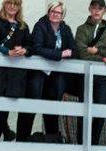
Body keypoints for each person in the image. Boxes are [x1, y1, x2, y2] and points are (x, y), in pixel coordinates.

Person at [26, 2, 75, 142]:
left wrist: (66, 53)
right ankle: (22, 140)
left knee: (52, 109)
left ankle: (52, 142)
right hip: (38, 74)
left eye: (58, 12)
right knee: (31, 107)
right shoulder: (40, 26)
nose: (55, 14)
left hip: (56, 75)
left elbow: (73, 49)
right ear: (48, 12)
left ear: (62, 15)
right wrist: (60, 54)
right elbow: (38, 48)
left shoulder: (65, 29)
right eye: (52, 11)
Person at [73, 0, 106, 146]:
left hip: (101, 78)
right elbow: (82, 53)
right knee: (84, 112)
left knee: (100, 112)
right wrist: (104, 58)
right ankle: (82, 144)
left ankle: (94, 145)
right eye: (94, 8)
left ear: (105, 10)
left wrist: (98, 51)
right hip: (85, 76)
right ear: (89, 9)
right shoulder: (81, 29)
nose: (97, 11)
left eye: (100, 8)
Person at [0, 0, 30, 143]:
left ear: (19, 6)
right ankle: (6, 132)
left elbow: (30, 44)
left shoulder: (23, 26)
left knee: (5, 104)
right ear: (4, 3)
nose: (12, 6)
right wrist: (6, 51)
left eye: (15, 4)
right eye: (9, 2)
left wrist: (24, 50)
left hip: (14, 72)